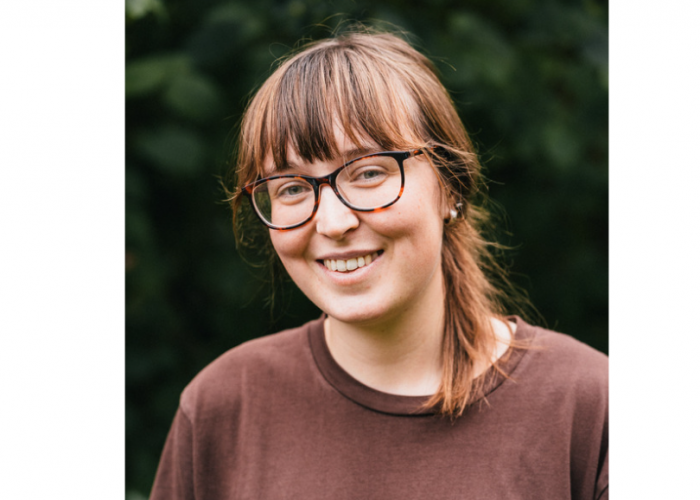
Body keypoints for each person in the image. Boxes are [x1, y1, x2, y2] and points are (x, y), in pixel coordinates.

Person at [150, 28, 608, 500]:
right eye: (290, 187)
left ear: (450, 186)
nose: (332, 222)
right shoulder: (222, 409)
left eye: (369, 172)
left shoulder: (590, 406)